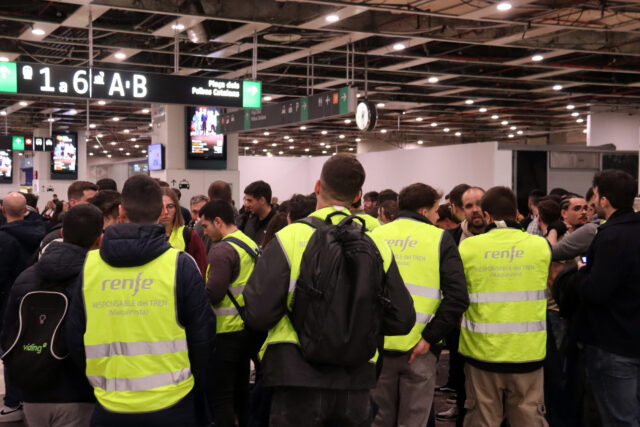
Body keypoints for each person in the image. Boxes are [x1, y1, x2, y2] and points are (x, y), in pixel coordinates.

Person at [244, 154, 416, 427]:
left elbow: (258, 313)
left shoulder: (290, 237)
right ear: (357, 196)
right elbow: (402, 318)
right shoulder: (376, 245)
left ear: (317, 186)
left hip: (295, 376)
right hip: (356, 380)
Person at [65, 175, 216, 427]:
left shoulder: (90, 266)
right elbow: (203, 337)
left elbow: (74, 337)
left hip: (110, 403)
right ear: (161, 212)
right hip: (173, 401)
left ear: (121, 212)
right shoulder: (180, 265)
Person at [371, 183, 469, 427]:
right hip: (420, 348)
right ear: (425, 211)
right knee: (414, 421)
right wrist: (430, 338)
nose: (437, 216)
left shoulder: (375, 236)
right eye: (436, 211)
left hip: (378, 347)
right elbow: (457, 297)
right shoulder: (439, 239)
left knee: (378, 420)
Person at [1, 205, 103, 427]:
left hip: (32, 391)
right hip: (77, 392)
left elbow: (8, 330)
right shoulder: (97, 280)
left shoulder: (27, 275)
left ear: (62, 233)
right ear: (100, 239)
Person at [458, 186, 550, 427]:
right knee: (529, 420)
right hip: (528, 354)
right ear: (517, 213)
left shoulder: (468, 248)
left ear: (487, 215)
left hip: (482, 354)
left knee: (483, 420)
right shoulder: (540, 246)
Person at [574, 169, 640, 426]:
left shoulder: (611, 236)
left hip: (614, 344)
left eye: (595, 196)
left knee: (620, 420)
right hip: (632, 337)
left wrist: (581, 272)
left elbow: (596, 291)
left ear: (605, 200)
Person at [199, 200, 260, 427]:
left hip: (226, 332)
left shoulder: (222, 250)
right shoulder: (248, 243)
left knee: (222, 396)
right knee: (242, 392)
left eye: (206, 226)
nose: (204, 232)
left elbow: (214, 294)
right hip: (248, 328)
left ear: (218, 222)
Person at [437, 186, 487, 424]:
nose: (475, 210)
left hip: (495, 324)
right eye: (469, 205)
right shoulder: (451, 237)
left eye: (480, 204)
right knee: (462, 379)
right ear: (460, 210)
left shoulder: (504, 235)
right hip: (460, 323)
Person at [0, 192, 47, 422]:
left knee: (10, 351)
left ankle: (13, 402)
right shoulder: (43, 233)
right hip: (41, 302)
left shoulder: (4, 239)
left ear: (3, 210)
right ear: (27, 210)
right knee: (36, 349)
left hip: (9, 303)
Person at [39, 181, 98, 255]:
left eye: (98, 200)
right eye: (91, 201)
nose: (97, 204)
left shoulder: (102, 231)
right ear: (73, 203)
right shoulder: (54, 239)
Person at [160, 187, 207, 277]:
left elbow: (201, 272)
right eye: (160, 207)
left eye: (170, 206)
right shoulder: (145, 235)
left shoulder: (189, 235)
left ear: (177, 209)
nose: (165, 212)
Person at [549, 188, 601, 261]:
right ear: (564, 213)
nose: (584, 212)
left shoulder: (590, 232)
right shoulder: (559, 237)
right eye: (577, 208)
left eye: (585, 208)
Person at [240, 180, 275, 247]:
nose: (246, 204)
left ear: (262, 200)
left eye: (249, 201)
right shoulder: (247, 221)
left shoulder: (278, 224)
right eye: (245, 200)